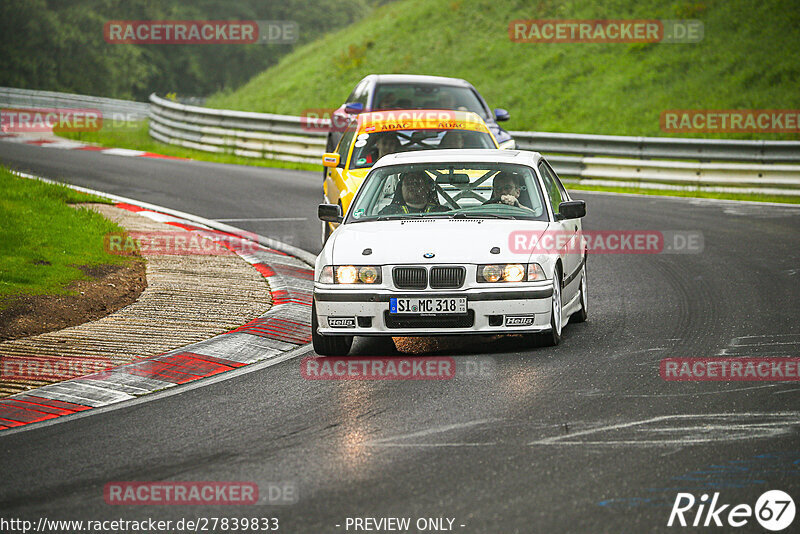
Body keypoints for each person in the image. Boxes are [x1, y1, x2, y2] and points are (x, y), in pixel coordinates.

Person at [379, 171, 449, 215]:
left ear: (427, 187)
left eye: (417, 183)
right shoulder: (387, 214)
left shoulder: (445, 214)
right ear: (401, 189)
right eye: (408, 183)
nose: (412, 187)